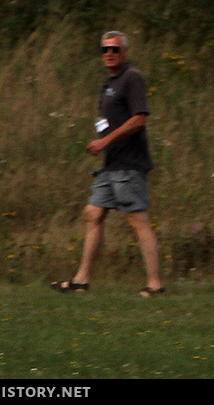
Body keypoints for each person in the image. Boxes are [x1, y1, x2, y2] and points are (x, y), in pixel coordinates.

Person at [51, 31, 164, 297]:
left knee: (138, 221)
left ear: (124, 52)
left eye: (114, 49)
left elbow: (140, 118)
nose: (109, 54)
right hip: (111, 163)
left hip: (129, 162)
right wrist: (104, 144)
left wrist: (105, 141)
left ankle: (155, 284)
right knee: (93, 213)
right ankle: (81, 280)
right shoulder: (110, 82)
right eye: (105, 50)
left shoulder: (132, 78)